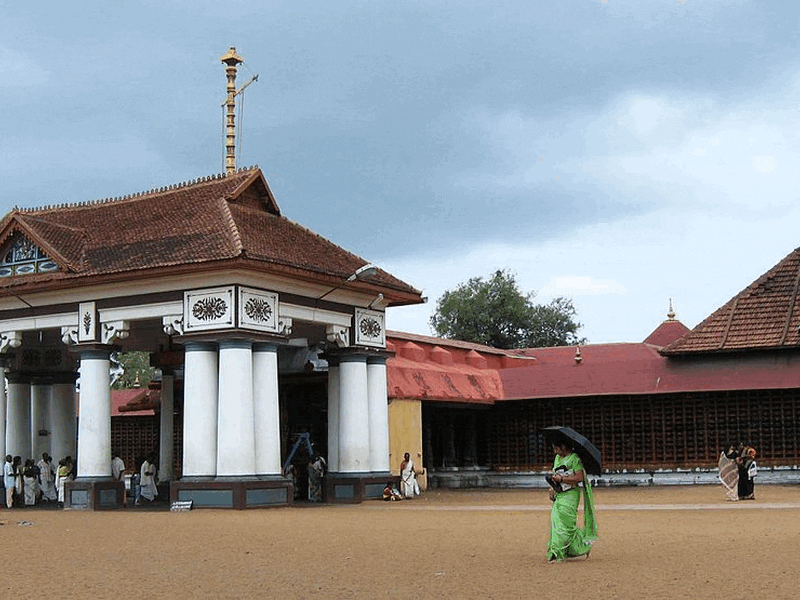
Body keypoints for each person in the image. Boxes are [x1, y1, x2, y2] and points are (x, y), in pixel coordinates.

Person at [546, 441, 597, 562]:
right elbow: (555, 473)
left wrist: (562, 479)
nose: (555, 451)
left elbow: (579, 477)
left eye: (556, 448)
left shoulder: (574, 459)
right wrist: (552, 487)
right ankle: (556, 551)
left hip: (570, 494)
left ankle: (560, 551)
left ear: (563, 446)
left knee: (567, 524)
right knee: (556, 521)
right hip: (559, 493)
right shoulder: (558, 458)